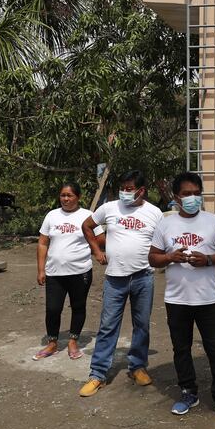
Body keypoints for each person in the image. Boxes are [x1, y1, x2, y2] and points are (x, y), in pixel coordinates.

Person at [148, 172, 215, 422]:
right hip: (177, 300)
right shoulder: (166, 224)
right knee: (181, 349)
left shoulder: (214, 222)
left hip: (207, 299)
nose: (192, 198)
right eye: (187, 194)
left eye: (197, 193)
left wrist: (208, 259)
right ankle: (188, 392)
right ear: (176, 197)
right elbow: (152, 257)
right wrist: (169, 257)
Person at [78, 170, 164, 397]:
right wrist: (96, 250)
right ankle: (97, 374)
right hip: (115, 278)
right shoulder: (109, 208)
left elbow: (163, 241)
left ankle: (137, 367)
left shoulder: (154, 213)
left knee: (142, 325)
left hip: (143, 277)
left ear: (141, 190)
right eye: (122, 188)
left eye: (129, 188)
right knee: (107, 327)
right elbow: (87, 226)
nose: (124, 192)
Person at [34, 182, 104, 361]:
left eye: (69, 195)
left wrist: (96, 249)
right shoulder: (52, 216)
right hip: (54, 273)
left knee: (78, 306)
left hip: (80, 272)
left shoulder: (88, 216)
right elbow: (42, 243)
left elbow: (100, 238)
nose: (65, 199)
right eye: (63, 195)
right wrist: (41, 269)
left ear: (78, 197)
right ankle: (52, 343)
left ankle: (73, 341)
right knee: (52, 309)